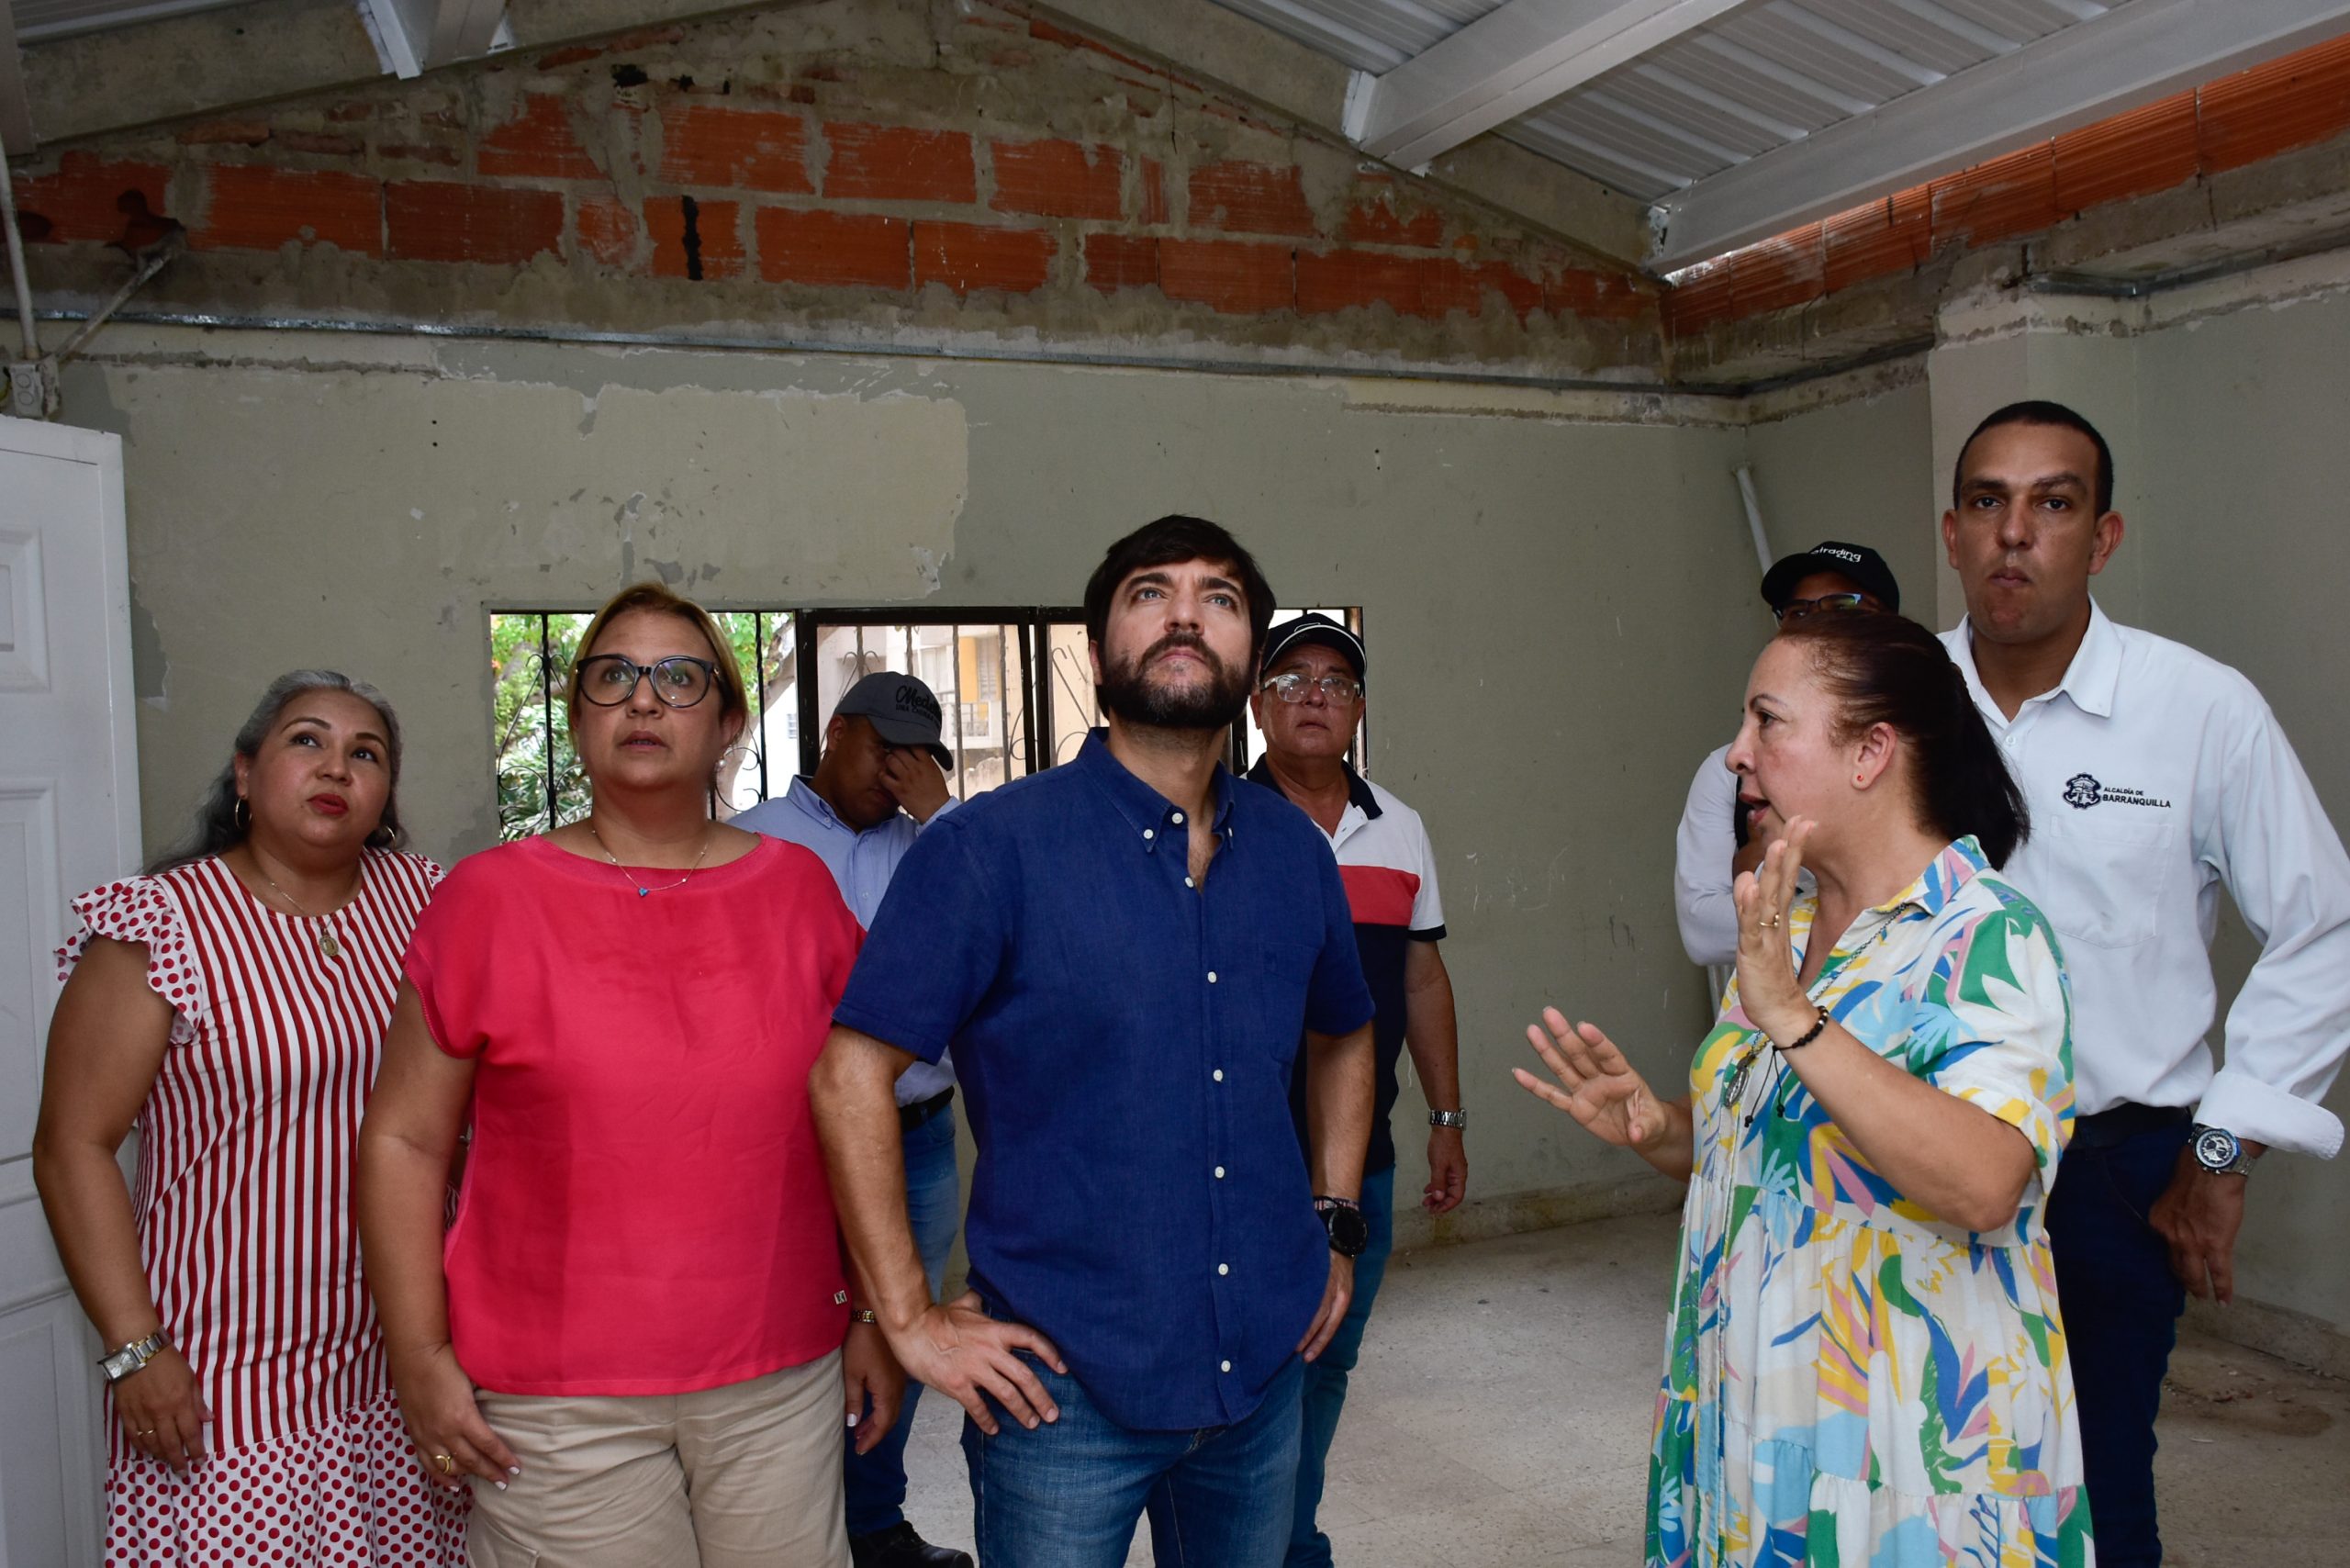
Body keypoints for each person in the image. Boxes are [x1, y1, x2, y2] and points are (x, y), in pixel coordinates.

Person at [810, 515, 1378, 1568]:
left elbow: (1345, 1032)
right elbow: (850, 1073)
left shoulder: (1296, 856)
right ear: (1098, 641)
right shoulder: (988, 848)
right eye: (1149, 592)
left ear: (1247, 651)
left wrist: (1336, 1218)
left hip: (1260, 1364)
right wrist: (905, 1315)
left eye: (1218, 598)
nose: (1183, 615)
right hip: (1058, 1388)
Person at [1519, 611, 2091, 1567]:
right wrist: (1658, 1124)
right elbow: (1759, 1143)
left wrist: (1794, 1017)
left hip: (1902, 1439)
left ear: (1871, 751)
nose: (1737, 755)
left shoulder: (1983, 934)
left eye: (1767, 722)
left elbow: (1987, 1180)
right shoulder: (1778, 920)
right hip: (1754, 1394)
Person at [355, 582, 888, 1568]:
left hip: (777, 1373)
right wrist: (419, 1353)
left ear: (727, 720)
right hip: (558, 1398)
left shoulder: (797, 893)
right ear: (579, 715)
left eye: (678, 679)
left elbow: (850, 1120)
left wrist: (870, 1313)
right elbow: (404, 1138)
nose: (644, 701)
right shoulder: (489, 899)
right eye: (614, 678)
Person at [1940, 400, 2350, 1568]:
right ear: (1952, 531)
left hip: (2108, 1172)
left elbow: (2322, 922)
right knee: (1919, 1472)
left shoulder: (2198, 709)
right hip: (1906, 1155)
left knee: (2094, 1486)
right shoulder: (1892, 704)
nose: (2015, 532)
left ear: (2101, 536)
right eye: (1988, 502)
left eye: (2052, 503)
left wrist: (2221, 1152)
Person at [34, 670, 466, 1566]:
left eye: (366, 753)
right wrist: (132, 1349)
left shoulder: (420, 900)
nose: (335, 767)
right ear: (244, 773)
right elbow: (72, 1147)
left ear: (385, 793)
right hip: (229, 1371)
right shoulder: (159, 927)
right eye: (306, 741)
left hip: (400, 1349)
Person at [1237, 612, 1464, 1568]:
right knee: (1248, 1371)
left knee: (1327, 1363)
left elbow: (1419, 979)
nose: (1315, 695)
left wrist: (1447, 1116)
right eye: (1292, 680)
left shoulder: (1399, 827)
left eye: (1335, 680)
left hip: (1360, 1157)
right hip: (1242, 1157)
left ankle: (1291, 1540)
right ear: (1257, 704)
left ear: (1360, 707)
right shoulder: (1220, 821)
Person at [734, 671, 970, 1568]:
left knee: (899, 1330)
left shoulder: (940, 845)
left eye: (918, 757)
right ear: (835, 732)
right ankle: (789, 1533)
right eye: (885, 748)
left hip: (917, 1137)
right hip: (789, 1144)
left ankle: (872, 1526)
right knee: (791, 1333)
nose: (897, 771)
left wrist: (940, 815)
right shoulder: (752, 840)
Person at [1675, 542, 1900, 968]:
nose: (1816, 627)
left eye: (1843, 607)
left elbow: (1939, 902)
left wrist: (1759, 885)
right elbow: (1703, 934)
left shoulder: (1924, 757)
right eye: (1798, 612)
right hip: (1764, 1023)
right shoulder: (1733, 770)